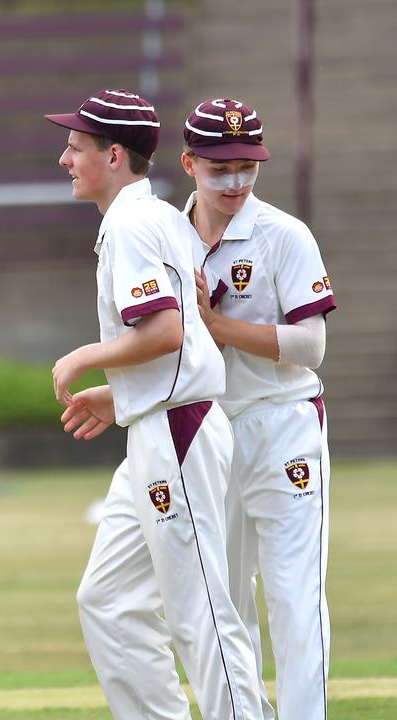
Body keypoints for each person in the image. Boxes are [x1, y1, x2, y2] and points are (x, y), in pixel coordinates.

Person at [46, 89, 263, 718]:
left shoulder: (137, 223)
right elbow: (184, 338)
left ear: (113, 155)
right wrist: (122, 396)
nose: (64, 158)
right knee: (108, 599)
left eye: (75, 147)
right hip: (158, 426)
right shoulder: (154, 217)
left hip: (178, 433)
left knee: (198, 609)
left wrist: (85, 356)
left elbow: (166, 331)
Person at [183, 98, 335, 720]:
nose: (236, 182)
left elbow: (311, 346)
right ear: (188, 162)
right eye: (220, 167)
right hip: (210, 430)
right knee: (223, 602)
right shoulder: (166, 236)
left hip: (284, 427)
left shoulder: (283, 234)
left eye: (248, 166)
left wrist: (218, 326)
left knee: (295, 596)